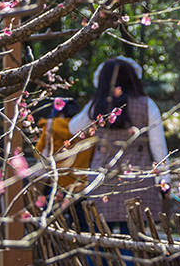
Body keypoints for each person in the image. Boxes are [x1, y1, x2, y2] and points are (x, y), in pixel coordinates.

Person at [68, 56, 170, 233]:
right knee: (133, 239)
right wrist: (165, 180)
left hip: (102, 179)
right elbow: (158, 146)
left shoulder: (96, 105)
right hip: (136, 178)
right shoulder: (147, 105)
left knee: (100, 237)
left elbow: (73, 128)